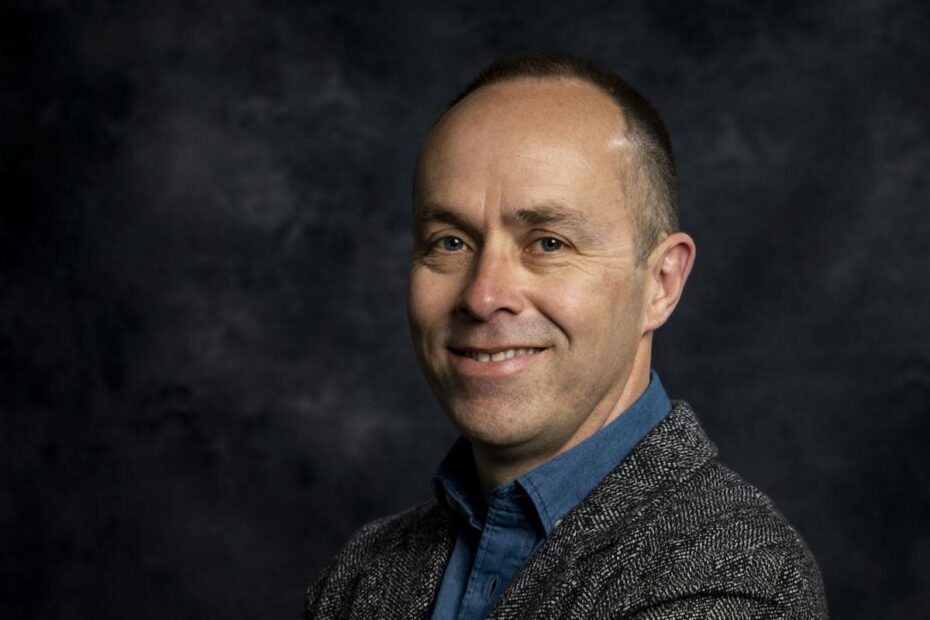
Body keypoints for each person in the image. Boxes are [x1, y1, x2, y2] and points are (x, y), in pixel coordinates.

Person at [305, 52, 827, 619]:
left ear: (660, 283)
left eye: (548, 243)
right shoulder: (364, 573)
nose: (483, 296)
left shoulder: (733, 574)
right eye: (450, 242)